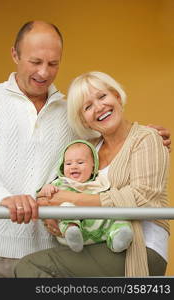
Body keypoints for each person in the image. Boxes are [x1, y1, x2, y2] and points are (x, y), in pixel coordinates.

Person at [0, 20, 170, 278]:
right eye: (35, 62)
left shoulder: (72, 114)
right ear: (14, 54)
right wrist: (3, 198)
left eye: (53, 64)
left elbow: (110, 141)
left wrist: (145, 136)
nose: (44, 72)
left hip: (47, 250)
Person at [15, 71, 170, 278]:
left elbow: (141, 199)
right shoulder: (88, 151)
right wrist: (52, 214)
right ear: (85, 121)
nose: (98, 107)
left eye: (102, 96)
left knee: (30, 267)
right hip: (95, 241)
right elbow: (59, 187)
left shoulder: (146, 138)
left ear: (116, 96)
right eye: (87, 107)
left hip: (140, 247)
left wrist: (71, 199)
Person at [39, 139, 133, 253]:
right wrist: (46, 188)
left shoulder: (100, 183)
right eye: (68, 163)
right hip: (72, 233)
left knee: (118, 215)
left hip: (101, 230)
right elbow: (41, 197)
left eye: (80, 162)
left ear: (93, 166)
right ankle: (72, 232)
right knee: (66, 207)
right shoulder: (60, 183)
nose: (74, 166)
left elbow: (109, 199)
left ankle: (118, 239)